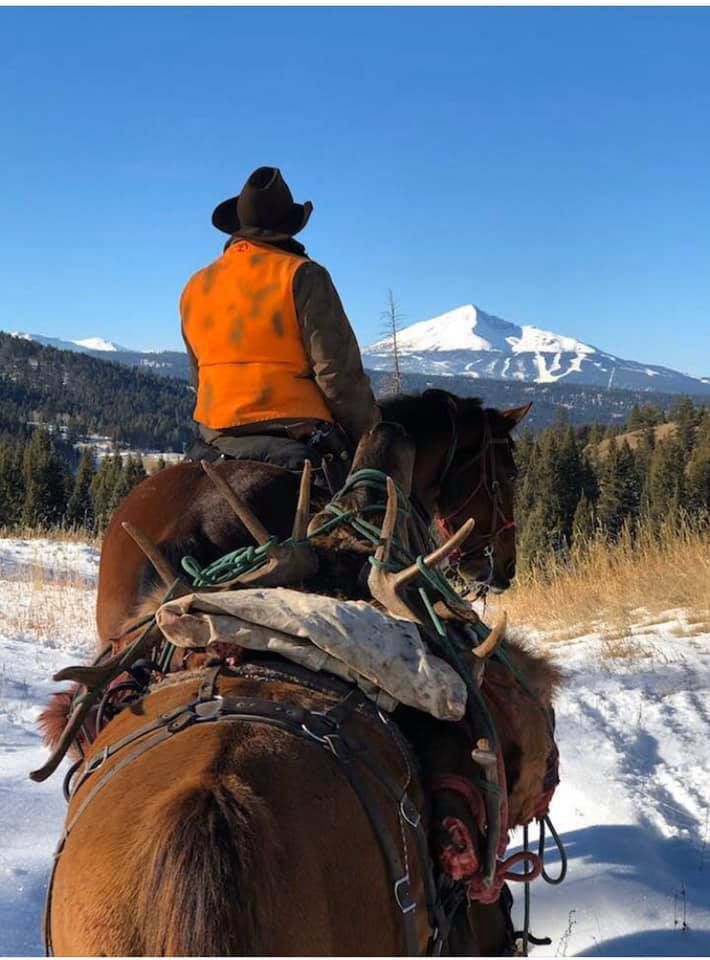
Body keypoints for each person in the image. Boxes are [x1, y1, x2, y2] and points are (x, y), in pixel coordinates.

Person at [180, 166, 380, 479]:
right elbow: (338, 375)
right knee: (367, 514)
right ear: (288, 227)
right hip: (295, 427)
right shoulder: (303, 275)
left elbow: (199, 373)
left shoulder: (196, 285)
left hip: (215, 432)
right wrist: (370, 435)